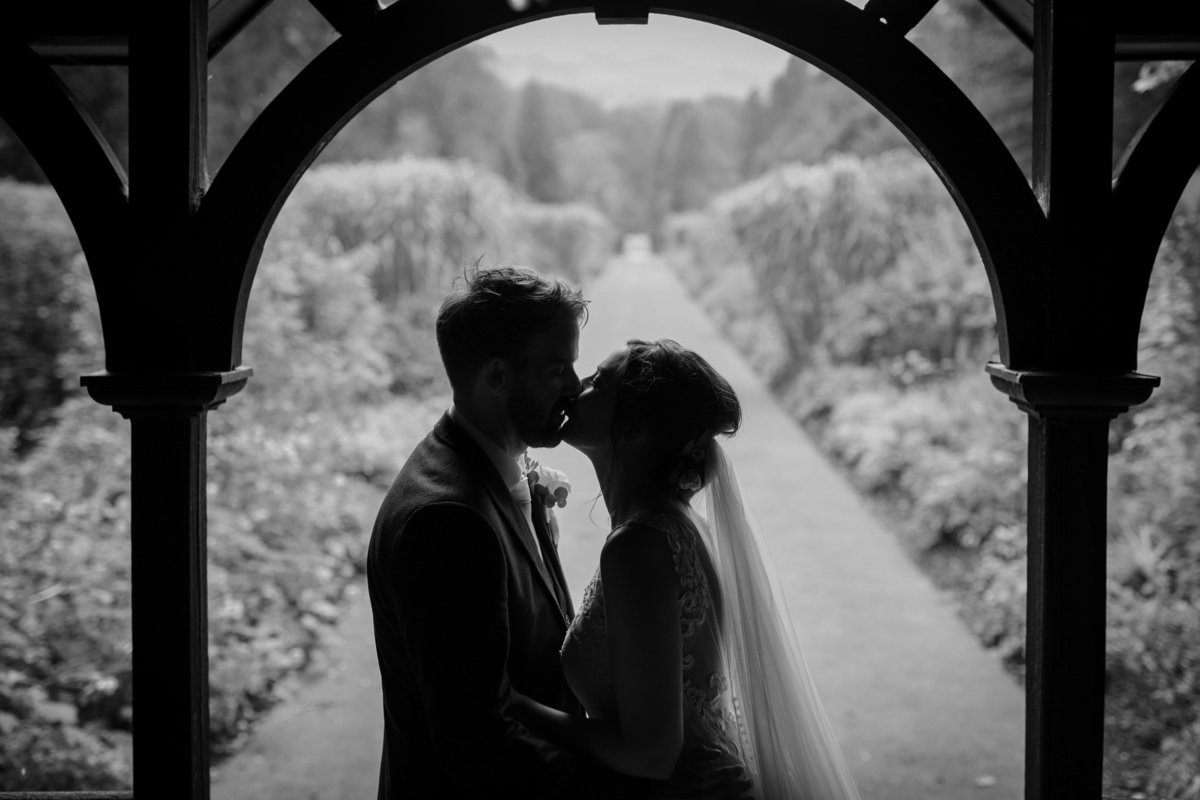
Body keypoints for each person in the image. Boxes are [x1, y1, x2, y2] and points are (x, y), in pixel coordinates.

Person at [510, 339, 862, 800]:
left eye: (597, 382)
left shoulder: (638, 546)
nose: (577, 387)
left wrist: (517, 709)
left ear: (635, 429)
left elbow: (651, 756)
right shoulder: (673, 524)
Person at [366, 267, 639, 799]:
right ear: (496, 376)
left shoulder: (497, 463)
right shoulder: (448, 523)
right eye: (557, 368)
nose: (573, 386)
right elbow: (477, 741)